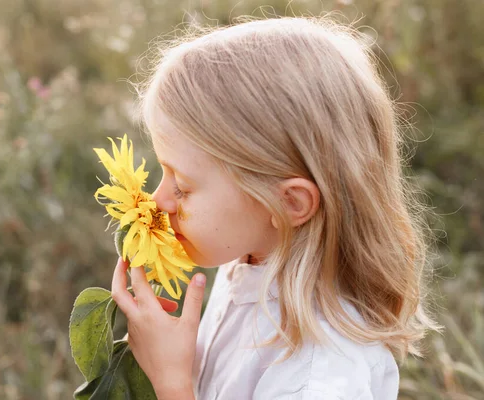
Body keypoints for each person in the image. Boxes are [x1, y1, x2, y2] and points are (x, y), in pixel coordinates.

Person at [110, 16, 442, 400]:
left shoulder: (318, 376)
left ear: (287, 204)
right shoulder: (251, 259)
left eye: (182, 186)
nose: (158, 201)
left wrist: (170, 381)